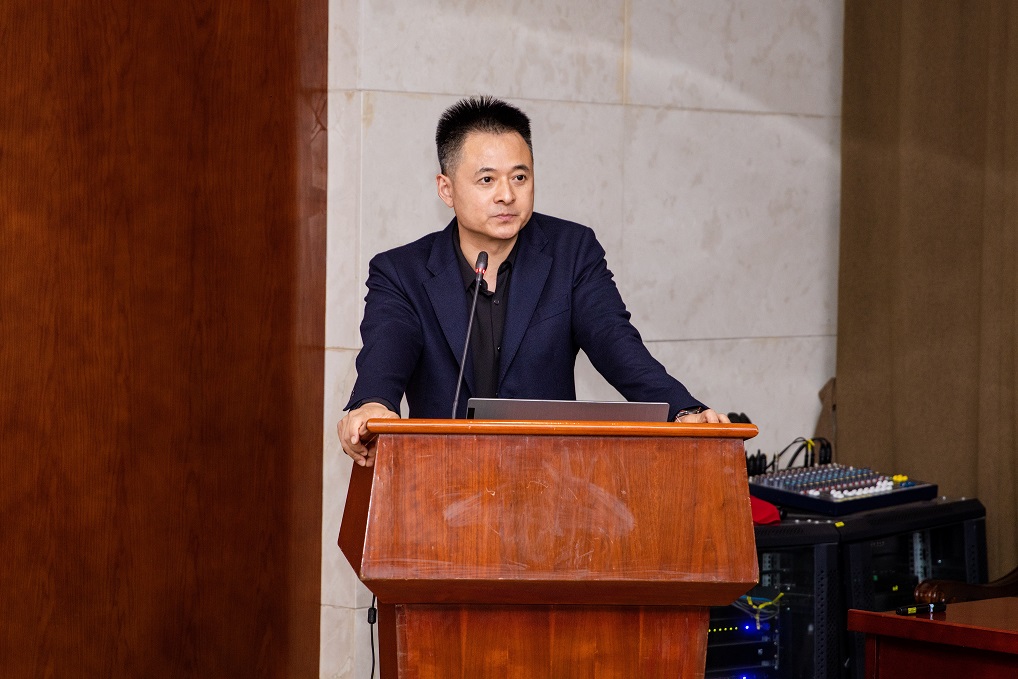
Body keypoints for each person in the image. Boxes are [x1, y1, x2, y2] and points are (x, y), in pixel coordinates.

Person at [338, 96, 729, 466]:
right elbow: (386, 353)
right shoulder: (401, 272)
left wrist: (683, 409)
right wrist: (372, 404)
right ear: (446, 189)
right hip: (439, 481)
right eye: (487, 180)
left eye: (520, 177)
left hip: (551, 481)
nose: (507, 195)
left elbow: (616, 342)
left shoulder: (572, 253)